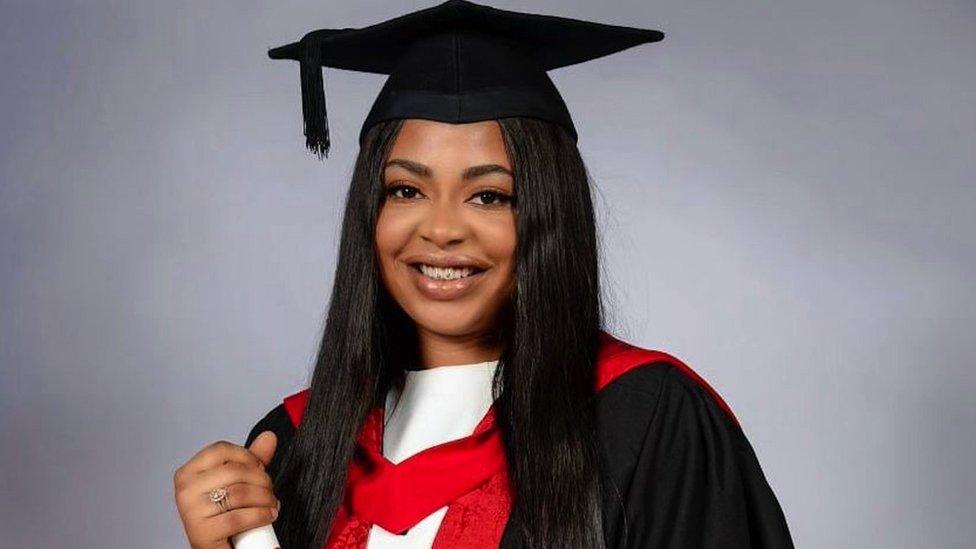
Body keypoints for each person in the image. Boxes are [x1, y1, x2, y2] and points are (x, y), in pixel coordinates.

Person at [173, 1, 795, 547]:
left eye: (490, 197)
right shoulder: (296, 445)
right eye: (407, 189)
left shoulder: (645, 419)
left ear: (549, 215)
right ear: (371, 212)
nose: (441, 229)